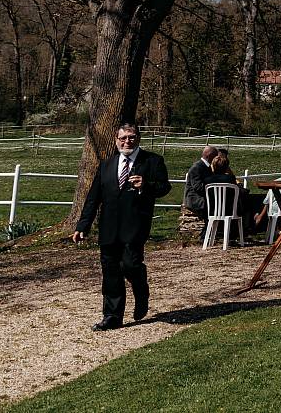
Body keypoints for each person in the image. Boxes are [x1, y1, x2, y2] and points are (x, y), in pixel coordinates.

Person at [70, 123, 172, 331]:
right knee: (110, 272)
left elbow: (164, 187)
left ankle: (141, 290)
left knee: (130, 265)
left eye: (131, 137)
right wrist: (83, 225)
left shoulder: (152, 161)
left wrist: (146, 185)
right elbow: (93, 197)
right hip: (109, 228)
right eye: (123, 138)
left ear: (138, 139)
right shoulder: (106, 165)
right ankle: (112, 316)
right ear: (116, 140)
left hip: (135, 225)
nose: (127, 142)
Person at [183, 145, 217, 221]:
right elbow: (198, 187)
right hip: (195, 199)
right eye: (215, 156)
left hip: (201, 198)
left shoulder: (206, 167)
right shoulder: (197, 167)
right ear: (210, 156)